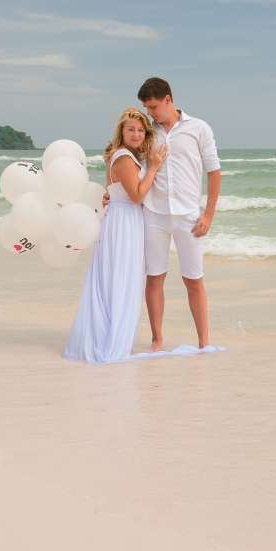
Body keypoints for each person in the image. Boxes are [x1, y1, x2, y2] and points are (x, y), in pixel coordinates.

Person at [63, 108, 168, 364]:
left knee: (115, 278)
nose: (136, 134)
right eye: (131, 129)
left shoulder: (127, 157)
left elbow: (120, 190)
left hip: (123, 220)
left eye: (141, 130)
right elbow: (136, 195)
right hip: (124, 222)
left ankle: (110, 335)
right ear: (121, 131)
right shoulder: (123, 157)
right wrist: (154, 167)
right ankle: (112, 341)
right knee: (120, 278)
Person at [137, 77, 221, 351]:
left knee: (193, 279)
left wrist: (208, 214)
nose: (149, 113)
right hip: (154, 214)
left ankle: (203, 342)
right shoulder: (146, 132)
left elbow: (213, 171)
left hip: (188, 216)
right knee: (155, 277)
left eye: (152, 106)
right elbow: (126, 162)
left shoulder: (199, 128)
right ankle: (157, 341)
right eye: (146, 108)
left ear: (168, 100)